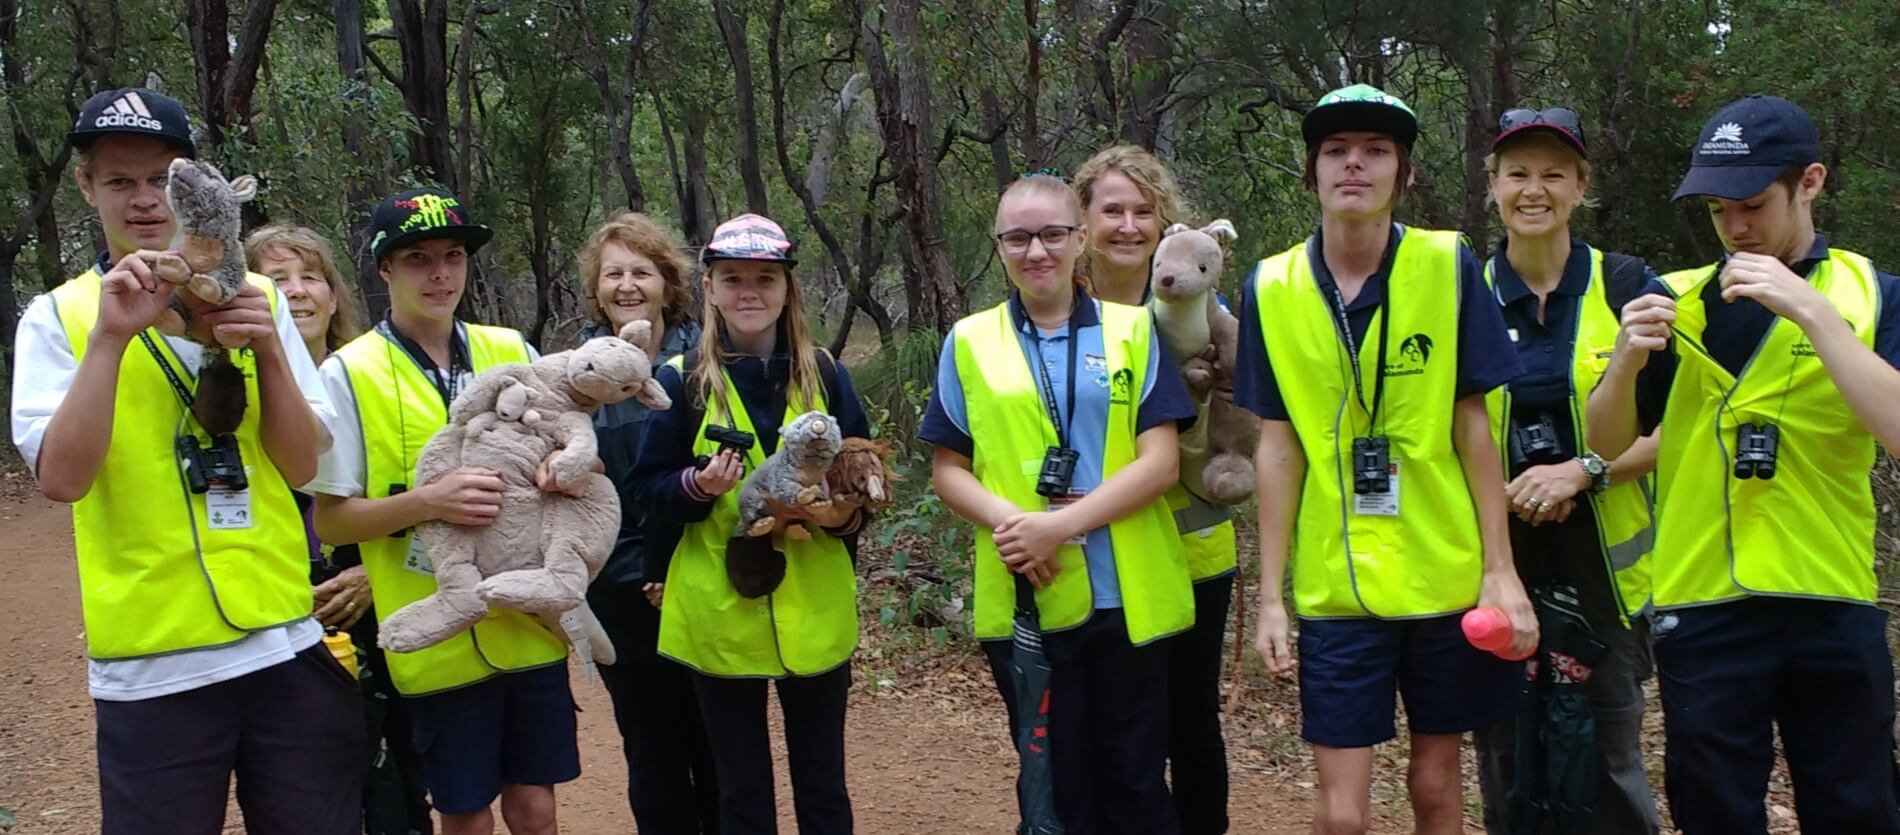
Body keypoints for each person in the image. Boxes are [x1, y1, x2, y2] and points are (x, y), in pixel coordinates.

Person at [8, 87, 363, 833]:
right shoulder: (60, 317)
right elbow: (62, 480)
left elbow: (304, 468)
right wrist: (109, 338)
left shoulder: (259, 297)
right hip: (152, 667)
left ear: (191, 182)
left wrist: (267, 349)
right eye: (119, 181)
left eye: (160, 178)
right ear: (85, 186)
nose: (143, 201)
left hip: (283, 643)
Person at [1586, 94, 1900, 835]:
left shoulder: (1869, 295)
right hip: (1703, 605)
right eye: (1719, 210)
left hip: (1832, 597)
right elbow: (1603, 445)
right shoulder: (1677, 298)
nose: (1736, 227)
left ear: (1811, 182)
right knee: (1715, 811)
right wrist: (1625, 363)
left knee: (1858, 809)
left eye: (1754, 204)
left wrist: (1814, 314)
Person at [1231, 84, 1537, 835]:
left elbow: (1475, 426)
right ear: (1312, 173)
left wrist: (1501, 568)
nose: (1354, 166)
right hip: (1339, 585)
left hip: (1444, 572)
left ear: (1403, 174)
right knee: (1342, 816)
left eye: (1376, 152)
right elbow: (1278, 445)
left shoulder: (1446, 263)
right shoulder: (1272, 286)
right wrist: (1273, 596)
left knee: (1436, 787)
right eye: (1336, 151)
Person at [924, 173, 1199, 834]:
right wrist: (1014, 525)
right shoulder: (969, 341)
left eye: (1051, 234)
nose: (1036, 250)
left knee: (1134, 780)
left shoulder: (1133, 329)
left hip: (1126, 596)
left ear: (1080, 239)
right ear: (1000, 246)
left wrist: (1061, 525)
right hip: (1028, 597)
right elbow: (948, 469)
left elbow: (1160, 463)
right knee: (1052, 785)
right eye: (1018, 237)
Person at [310, 188, 578, 835]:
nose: (439, 274)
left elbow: (567, 450)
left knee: (536, 808)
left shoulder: (511, 347)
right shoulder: (351, 372)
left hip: (527, 618)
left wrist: (557, 472)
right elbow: (332, 521)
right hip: (435, 632)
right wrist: (428, 502)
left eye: (452, 255)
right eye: (418, 258)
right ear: (383, 269)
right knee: (464, 813)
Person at [632, 212, 869, 835]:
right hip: (718, 613)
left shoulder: (827, 375)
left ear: (787, 286)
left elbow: (861, 478)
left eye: (765, 279)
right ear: (708, 287)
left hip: (816, 611)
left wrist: (843, 515)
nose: (749, 293)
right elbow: (646, 489)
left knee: (823, 785)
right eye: (732, 278)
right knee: (740, 790)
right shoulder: (679, 381)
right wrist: (697, 486)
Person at [1464, 108, 1661, 835]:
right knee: (1509, 760)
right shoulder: (1465, 291)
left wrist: (1583, 471)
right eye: (1517, 173)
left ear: (1582, 185)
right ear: (1492, 185)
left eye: (1553, 173)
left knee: (1610, 761)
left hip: (1603, 579)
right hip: (1497, 571)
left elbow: (1675, 429)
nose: (1534, 189)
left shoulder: (1629, 285)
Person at [246, 223, 437, 835]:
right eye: (278, 280)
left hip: (388, 608)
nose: (298, 292)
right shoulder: (226, 388)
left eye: (312, 277)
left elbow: (435, 500)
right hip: (274, 617)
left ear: (334, 294)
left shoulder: (377, 377)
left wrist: (371, 575)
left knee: (403, 780)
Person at [1073, 145, 1234, 835]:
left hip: (1193, 544)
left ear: (1167, 223)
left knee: (1189, 718)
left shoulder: (1202, 304)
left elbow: (1244, 413)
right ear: (1083, 221)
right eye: (1113, 210)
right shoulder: (1058, 307)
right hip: (1096, 552)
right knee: (1109, 725)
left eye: (1145, 211)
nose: (1130, 226)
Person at [576, 212, 720, 833]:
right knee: (652, 751)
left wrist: (674, 571)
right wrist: (639, 574)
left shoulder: (711, 360)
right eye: (614, 273)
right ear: (596, 286)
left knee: (720, 747)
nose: (627, 286)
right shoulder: (577, 375)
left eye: (642, 271)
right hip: (619, 595)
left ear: (669, 281)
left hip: (706, 582)